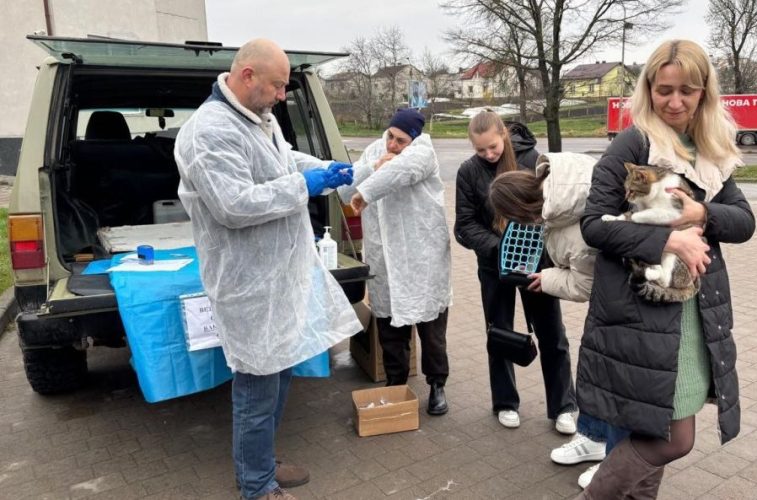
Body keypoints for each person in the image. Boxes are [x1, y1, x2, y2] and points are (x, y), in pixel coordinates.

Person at [174, 39, 362, 500]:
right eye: (278, 85)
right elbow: (233, 204)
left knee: (280, 376)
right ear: (247, 76)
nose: (283, 95)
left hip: (279, 277)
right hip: (248, 284)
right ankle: (256, 486)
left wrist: (322, 169)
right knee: (257, 389)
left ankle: (261, 461)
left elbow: (279, 160)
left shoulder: (259, 116)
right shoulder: (209, 132)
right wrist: (305, 184)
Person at [574, 39, 755, 499]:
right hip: (642, 311)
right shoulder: (635, 142)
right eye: (664, 89)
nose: (674, 102)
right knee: (674, 437)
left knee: (658, 432)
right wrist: (666, 239)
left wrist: (703, 215)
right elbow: (593, 224)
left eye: (687, 91)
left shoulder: (710, 152)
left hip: (695, 314)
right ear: (649, 88)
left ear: (704, 93)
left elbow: (745, 222)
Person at [454, 110, 578, 433]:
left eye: (492, 147)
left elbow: (550, 207)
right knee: (499, 332)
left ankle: (563, 406)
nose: (488, 155)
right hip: (494, 266)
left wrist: (531, 245)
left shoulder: (532, 160)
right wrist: (500, 246)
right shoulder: (468, 172)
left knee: (552, 334)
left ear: (503, 135)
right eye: (480, 150)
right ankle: (505, 402)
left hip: (537, 264)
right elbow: (464, 224)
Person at [488, 153, 608, 484]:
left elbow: (585, 284)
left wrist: (548, 279)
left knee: (603, 372)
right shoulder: (561, 170)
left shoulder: (568, 232)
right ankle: (594, 437)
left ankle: (611, 456)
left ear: (520, 210)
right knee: (595, 367)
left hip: (623, 302)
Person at [339, 108, 452, 415]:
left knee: (431, 327)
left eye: (400, 140)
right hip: (385, 254)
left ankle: (437, 384)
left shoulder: (423, 153)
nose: (392, 144)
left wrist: (367, 191)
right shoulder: (377, 149)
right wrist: (373, 168)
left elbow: (401, 172)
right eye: (390, 136)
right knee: (389, 325)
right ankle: (395, 380)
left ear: (414, 139)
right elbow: (347, 186)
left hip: (421, 254)